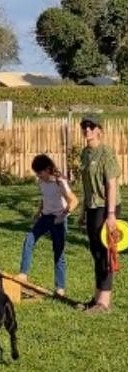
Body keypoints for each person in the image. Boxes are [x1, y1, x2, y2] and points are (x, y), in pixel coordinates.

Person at [16, 154, 79, 297]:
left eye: (39, 172)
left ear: (47, 169)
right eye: (36, 173)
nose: (38, 176)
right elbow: (45, 198)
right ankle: (23, 273)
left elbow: (74, 201)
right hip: (45, 217)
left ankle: (60, 287)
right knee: (29, 240)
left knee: (59, 253)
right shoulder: (41, 182)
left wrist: (62, 216)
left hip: (58, 220)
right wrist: (38, 212)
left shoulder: (59, 182)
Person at [78, 115, 122, 313]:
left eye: (91, 126)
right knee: (95, 252)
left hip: (107, 206)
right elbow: (86, 186)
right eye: (84, 126)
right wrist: (83, 211)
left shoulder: (106, 153)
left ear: (99, 130)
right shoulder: (85, 154)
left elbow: (111, 184)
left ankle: (104, 303)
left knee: (105, 252)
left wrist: (111, 214)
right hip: (92, 206)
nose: (87, 129)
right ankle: (96, 298)